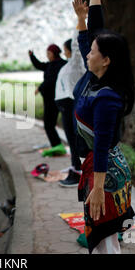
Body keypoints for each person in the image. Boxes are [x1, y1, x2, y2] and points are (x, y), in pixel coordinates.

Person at [73, 0, 135, 254]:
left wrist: (97, 190)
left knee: (106, 243)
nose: (88, 53)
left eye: (93, 52)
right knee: (101, 240)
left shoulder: (107, 96)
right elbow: (94, 34)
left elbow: (100, 145)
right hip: (97, 170)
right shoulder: (92, 76)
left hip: (105, 176)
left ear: (106, 60)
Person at [55, 35, 86, 187]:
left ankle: (77, 173)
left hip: (69, 105)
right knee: (71, 140)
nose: (64, 52)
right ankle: (75, 168)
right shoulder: (69, 65)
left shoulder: (75, 64)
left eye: (65, 49)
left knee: (74, 141)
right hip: (65, 107)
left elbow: (76, 47)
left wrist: (80, 19)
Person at [29, 45, 67, 156]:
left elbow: (51, 80)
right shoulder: (51, 64)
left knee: (49, 124)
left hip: (55, 99)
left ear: (55, 53)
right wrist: (32, 56)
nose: (47, 55)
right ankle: (56, 145)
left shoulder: (59, 65)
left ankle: (57, 146)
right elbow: (39, 65)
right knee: (49, 123)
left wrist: (39, 88)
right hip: (50, 99)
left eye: (49, 53)